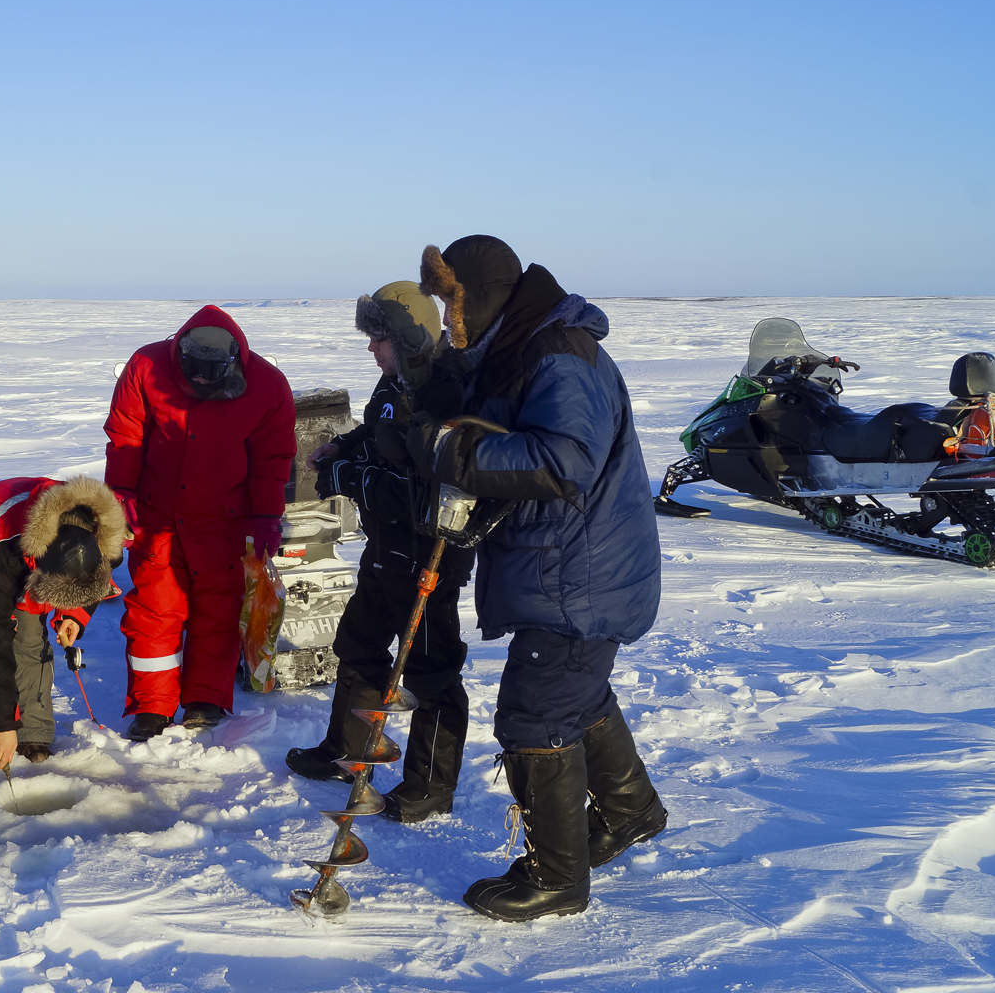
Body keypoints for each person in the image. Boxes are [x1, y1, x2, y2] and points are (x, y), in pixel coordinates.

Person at [407, 235, 666, 922]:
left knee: (535, 714)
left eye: (450, 301)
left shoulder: (558, 354)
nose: (446, 318)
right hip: (573, 564)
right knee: (570, 696)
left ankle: (557, 879)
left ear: (483, 295)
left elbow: (562, 460)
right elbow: (499, 423)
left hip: (580, 574)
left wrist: (447, 448)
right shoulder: (519, 349)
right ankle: (629, 812)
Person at [285, 281, 477, 823]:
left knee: (430, 671)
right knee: (359, 643)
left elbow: (423, 493)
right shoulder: (396, 381)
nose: (371, 350)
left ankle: (429, 786)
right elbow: (378, 428)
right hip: (387, 547)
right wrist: (344, 446)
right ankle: (346, 751)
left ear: (409, 337)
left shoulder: (446, 390)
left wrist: (346, 477)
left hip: (431, 553)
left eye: (379, 339)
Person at [104, 305, 296, 740]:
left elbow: (273, 459)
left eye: (214, 377)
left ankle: (205, 700)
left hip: (226, 518)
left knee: (218, 612)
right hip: (158, 513)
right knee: (155, 610)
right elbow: (126, 436)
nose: (204, 384)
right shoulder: (147, 366)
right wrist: (122, 493)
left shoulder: (267, 386)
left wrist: (268, 514)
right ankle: (152, 706)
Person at [0, 476, 126, 767]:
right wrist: (1, 724)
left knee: (31, 640)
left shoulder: (101, 530)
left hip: (29, 554)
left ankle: (32, 728)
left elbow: (92, 577)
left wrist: (73, 613)